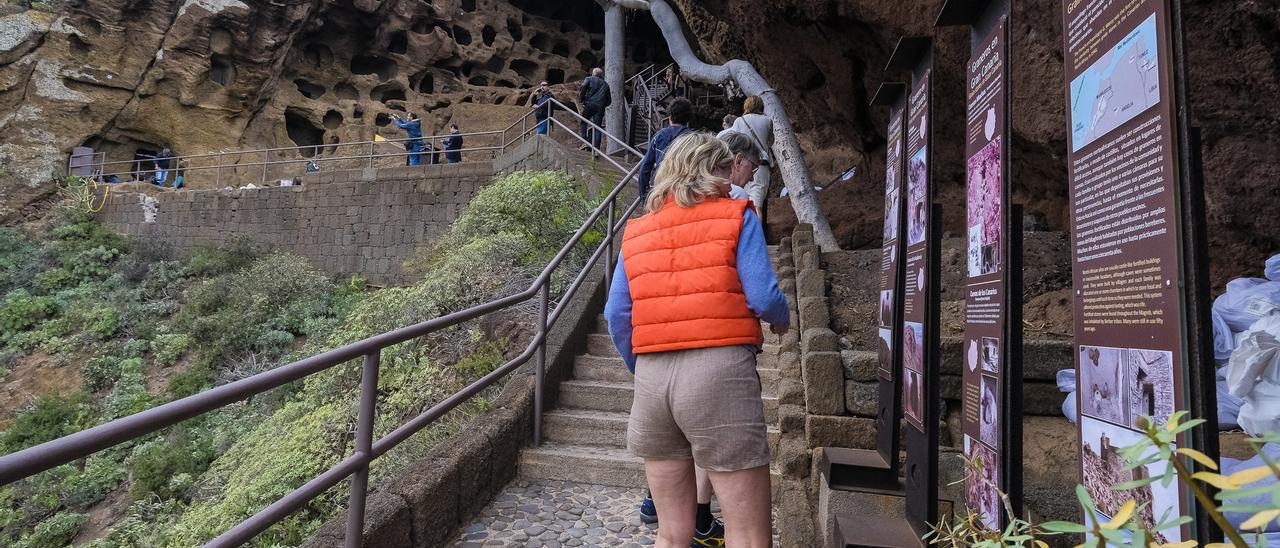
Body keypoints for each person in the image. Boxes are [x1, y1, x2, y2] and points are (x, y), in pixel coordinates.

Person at [605, 132, 788, 548]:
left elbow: (617, 314)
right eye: (726, 169)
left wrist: (643, 364)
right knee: (748, 533)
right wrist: (782, 319)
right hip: (719, 371)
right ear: (711, 170)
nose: (731, 180)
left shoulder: (636, 230)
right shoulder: (736, 214)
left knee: (671, 535)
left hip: (652, 381)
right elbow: (762, 295)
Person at [635, 98, 694, 200]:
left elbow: (645, 166)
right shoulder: (694, 138)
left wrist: (643, 195)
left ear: (670, 116)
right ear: (688, 118)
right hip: (684, 191)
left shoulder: (659, 136)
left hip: (661, 187)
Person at [731, 96, 774, 219]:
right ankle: (759, 235)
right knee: (757, 205)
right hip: (761, 165)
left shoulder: (739, 121)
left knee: (740, 201)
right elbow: (771, 142)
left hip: (742, 165)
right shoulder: (768, 120)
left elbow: (735, 141)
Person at [718, 131, 762, 201]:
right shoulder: (738, 195)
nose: (752, 179)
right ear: (739, 161)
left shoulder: (697, 191)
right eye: (753, 168)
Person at [578, 67, 612, 150]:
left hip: (590, 104)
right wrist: (602, 105)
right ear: (601, 75)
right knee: (597, 127)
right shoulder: (606, 84)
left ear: (593, 73)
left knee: (583, 122)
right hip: (600, 108)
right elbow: (609, 101)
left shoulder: (589, 79)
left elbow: (583, 88)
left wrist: (581, 100)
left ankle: (585, 141)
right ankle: (597, 149)